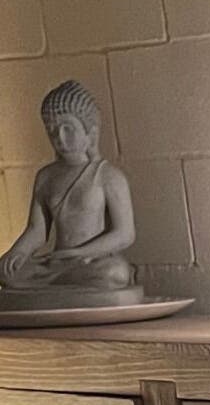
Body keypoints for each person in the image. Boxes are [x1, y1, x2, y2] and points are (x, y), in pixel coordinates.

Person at [0, 80, 138, 298]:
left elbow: (125, 234)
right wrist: (18, 252)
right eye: (52, 131)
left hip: (91, 261)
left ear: (90, 131)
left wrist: (78, 253)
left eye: (68, 129)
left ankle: (63, 290)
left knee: (115, 273)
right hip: (57, 263)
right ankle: (62, 290)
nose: (60, 138)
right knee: (7, 273)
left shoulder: (108, 176)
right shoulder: (46, 176)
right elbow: (37, 230)